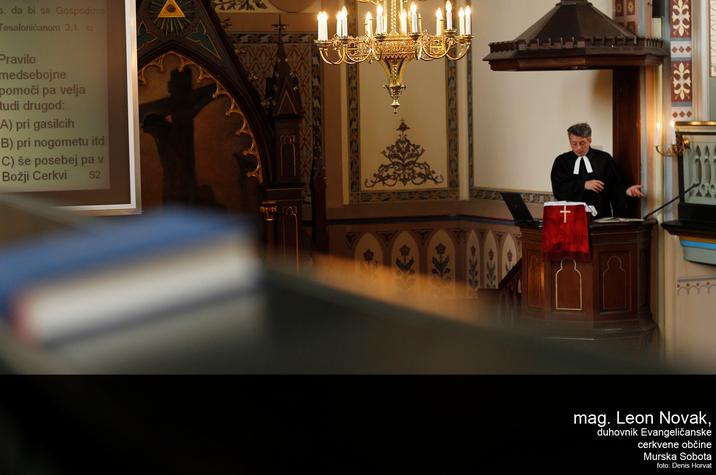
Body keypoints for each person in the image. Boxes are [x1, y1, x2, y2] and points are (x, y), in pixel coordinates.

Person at [550, 123, 644, 217]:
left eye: (582, 143)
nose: (578, 147)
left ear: (589, 140)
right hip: (571, 217)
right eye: (574, 144)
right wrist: (583, 185)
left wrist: (626, 190)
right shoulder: (561, 161)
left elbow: (615, 184)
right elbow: (558, 189)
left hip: (600, 216)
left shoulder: (604, 159)